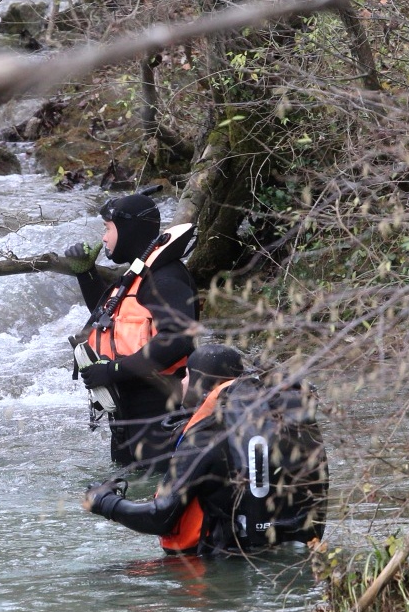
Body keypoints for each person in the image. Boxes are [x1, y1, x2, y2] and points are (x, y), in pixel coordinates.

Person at [81, 344, 328, 555]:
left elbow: (160, 518)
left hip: (218, 564)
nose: (182, 380)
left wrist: (105, 502)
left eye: (187, 374)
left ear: (202, 381)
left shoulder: (204, 438)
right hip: (282, 551)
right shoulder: (267, 425)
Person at [60, 191, 197, 474]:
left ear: (128, 229)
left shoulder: (166, 278)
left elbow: (178, 339)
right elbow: (107, 318)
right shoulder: (138, 275)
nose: (104, 237)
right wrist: (86, 274)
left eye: (108, 228)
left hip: (160, 409)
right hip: (129, 410)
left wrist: (113, 371)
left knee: (151, 492)